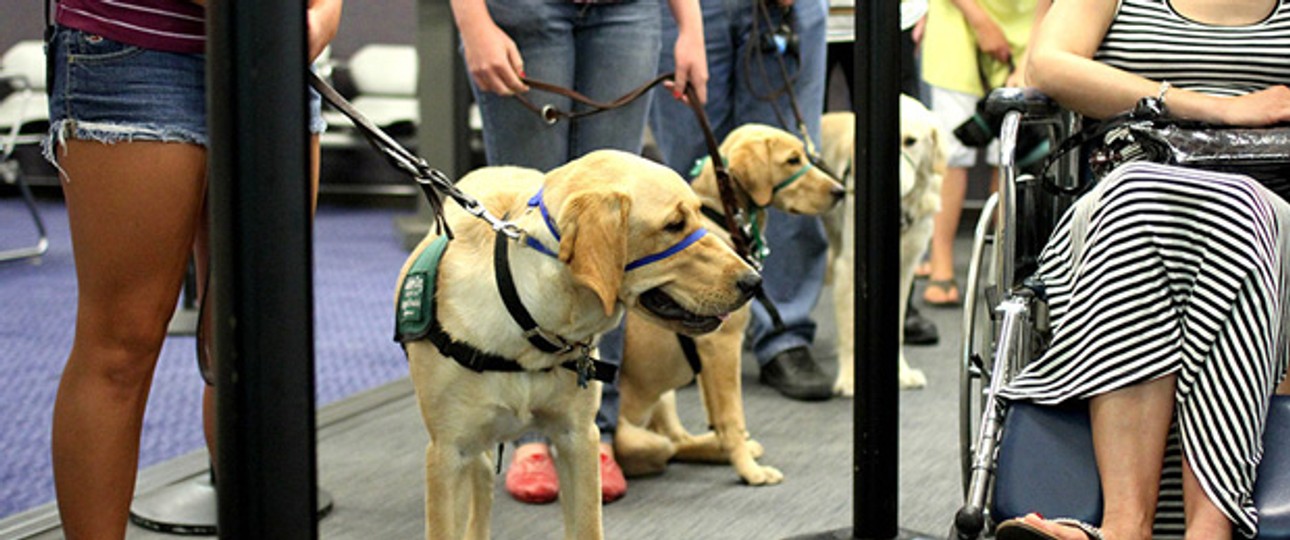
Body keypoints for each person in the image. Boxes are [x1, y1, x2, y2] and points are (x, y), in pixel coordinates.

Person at [992, 0, 1290, 538]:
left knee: (1238, 206)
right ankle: (1135, 526)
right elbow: (1049, 64)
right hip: (1125, 209)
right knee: (1138, 192)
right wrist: (1211, 108)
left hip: (1275, 217)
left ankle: (1171, 527)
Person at [44, 0, 341, 538]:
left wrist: (325, 12)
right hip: (136, 50)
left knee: (256, 346)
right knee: (121, 344)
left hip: (276, 55)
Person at [448, 0, 707, 505]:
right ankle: (527, 437)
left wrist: (689, 26)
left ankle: (595, 426)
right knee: (533, 223)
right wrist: (473, 22)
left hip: (627, 13)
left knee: (619, 240)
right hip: (521, 12)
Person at [648, 0, 832, 401]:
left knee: (786, 172)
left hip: (779, 11)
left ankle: (783, 331)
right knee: (690, 179)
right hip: (680, 8)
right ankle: (691, 326)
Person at [918, 0, 1037, 307]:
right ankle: (940, 261)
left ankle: (1004, 263)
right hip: (959, 19)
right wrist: (981, 21)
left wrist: (1027, 64)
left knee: (1010, 150)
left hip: (1033, 24)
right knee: (951, 153)